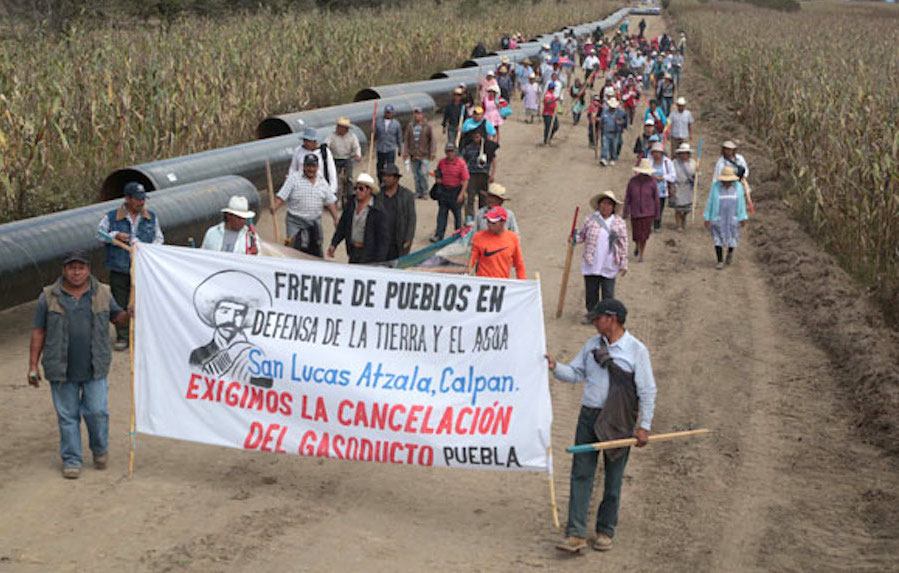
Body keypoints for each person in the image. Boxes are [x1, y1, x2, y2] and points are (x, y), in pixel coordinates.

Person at [546, 298, 657, 553]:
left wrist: (644, 426)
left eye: (598, 318)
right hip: (589, 417)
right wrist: (555, 367)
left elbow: (648, 390)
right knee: (581, 473)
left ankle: (605, 530)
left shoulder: (636, 351)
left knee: (614, 477)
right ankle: (575, 534)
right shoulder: (591, 346)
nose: (594, 322)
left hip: (619, 420)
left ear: (612, 318)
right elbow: (575, 373)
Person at [28, 250, 129, 479]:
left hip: (95, 367)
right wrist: (32, 366)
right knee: (68, 416)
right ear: (64, 270)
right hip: (60, 369)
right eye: (72, 267)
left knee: (97, 411)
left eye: (80, 267)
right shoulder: (48, 297)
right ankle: (72, 459)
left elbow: (118, 318)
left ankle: (99, 449)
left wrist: (130, 314)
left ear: (88, 270)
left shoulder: (103, 293)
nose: (76, 272)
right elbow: (38, 332)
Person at [97, 181, 163, 351]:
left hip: (142, 269)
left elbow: (159, 239)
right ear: (127, 199)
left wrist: (148, 249)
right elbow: (100, 234)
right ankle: (123, 336)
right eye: (138, 199)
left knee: (143, 302)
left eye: (143, 199)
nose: (142, 202)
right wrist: (115, 236)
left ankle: (141, 336)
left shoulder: (151, 217)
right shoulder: (111, 217)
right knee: (119, 302)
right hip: (119, 267)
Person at [271, 154, 339, 257]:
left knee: (317, 249)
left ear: (317, 167)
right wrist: (275, 206)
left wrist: (336, 219)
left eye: (313, 166)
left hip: (314, 221)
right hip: (295, 221)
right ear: (304, 166)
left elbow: (330, 201)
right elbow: (282, 195)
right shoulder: (294, 178)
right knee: (291, 248)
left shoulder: (322, 181)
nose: (311, 169)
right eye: (308, 166)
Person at [577, 191, 628, 319]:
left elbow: (623, 244)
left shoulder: (619, 223)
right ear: (599, 205)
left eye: (609, 204)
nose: (606, 207)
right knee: (591, 291)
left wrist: (624, 263)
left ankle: (606, 317)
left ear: (613, 207)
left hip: (609, 262)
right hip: (591, 261)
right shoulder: (590, 220)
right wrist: (573, 238)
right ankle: (592, 315)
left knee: (608, 293)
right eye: (603, 203)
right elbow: (581, 235)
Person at [328, 173, 389, 264]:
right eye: (356, 188)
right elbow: (342, 226)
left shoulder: (378, 210)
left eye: (361, 189)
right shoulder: (351, 205)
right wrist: (334, 244)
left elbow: (383, 239)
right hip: (353, 251)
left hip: (369, 254)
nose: (357, 191)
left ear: (369, 190)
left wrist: (380, 261)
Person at [703, 166, 749, 269]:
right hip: (718, 218)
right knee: (717, 239)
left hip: (733, 218)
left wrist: (743, 217)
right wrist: (707, 217)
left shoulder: (738, 187)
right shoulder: (715, 187)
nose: (726, 183)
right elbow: (710, 202)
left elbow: (741, 203)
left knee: (733, 238)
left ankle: (730, 252)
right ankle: (720, 260)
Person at [468, 206, 526, 279]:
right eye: (488, 221)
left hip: (502, 284)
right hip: (483, 283)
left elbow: (519, 264)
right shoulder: (478, 237)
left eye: (493, 223)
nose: (489, 225)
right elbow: (470, 263)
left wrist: (523, 283)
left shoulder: (513, 238)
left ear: (503, 222)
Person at [431, 142, 469, 242]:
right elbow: (438, 173)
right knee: (442, 214)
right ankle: (439, 235)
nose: (450, 154)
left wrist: (461, 194)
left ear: (455, 152)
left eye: (451, 151)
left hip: (456, 191)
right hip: (444, 190)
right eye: (448, 151)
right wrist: (438, 179)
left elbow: (465, 180)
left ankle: (458, 235)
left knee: (457, 215)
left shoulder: (461, 164)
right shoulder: (442, 162)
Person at [376, 164, 416, 259]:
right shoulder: (377, 195)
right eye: (384, 175)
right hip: (381, 241)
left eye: (389, 176)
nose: (385, 178)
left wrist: (408, 239)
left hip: (398, 241)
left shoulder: (407, 196)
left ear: (396, 179)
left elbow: (411, 219)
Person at [624, 158, 659, 262]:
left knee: (644, 236)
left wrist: (657, 215)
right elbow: (628, 197)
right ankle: (637, 245)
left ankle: (641, 254)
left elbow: (656, 199)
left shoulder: (652, 182)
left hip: (648, 213)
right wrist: (626, 211)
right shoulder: (632, 181)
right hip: (635, 213)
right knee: (636, 235)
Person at [288, 127, 339, 199]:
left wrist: (332, 189)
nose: (306, 143)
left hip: (320, 187)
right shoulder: (298, 151)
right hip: (302, 188)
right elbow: (293, 169)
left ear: (315, 141)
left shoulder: (324, 152)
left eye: (309, 141)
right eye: (305, 140)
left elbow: (331, 171)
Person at [461, 130, 499, 220]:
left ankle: (483, 219)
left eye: (478, 137)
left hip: (484, 175)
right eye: (474, 137)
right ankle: (469, 219)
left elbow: (493, 161)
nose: (476, 139)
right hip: (471, 175)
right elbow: (464, 162)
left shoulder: (487, 148)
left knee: (484, 199)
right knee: (470, 198)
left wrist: (492, 174)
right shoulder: (469, 148)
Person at [325, 117, 362, 207]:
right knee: (334, 180)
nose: (338, 128)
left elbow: (356, 147)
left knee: (349, 178)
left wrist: (358, 155)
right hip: (335, 159)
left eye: (341, 127)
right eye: (338, 126)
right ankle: (333, 200)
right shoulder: (332, 136)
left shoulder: (352, 136)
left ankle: (349, 198)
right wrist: (324, 148)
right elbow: (326, 143)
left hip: (347, 158)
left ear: (346, 128)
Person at [402, 107, 437, 200]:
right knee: (416, 175)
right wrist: (405, 152)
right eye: (416, 113)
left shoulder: (427, 126)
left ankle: (425, 192)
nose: (417, 116)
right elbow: (406, 140)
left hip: (424, 154)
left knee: (424, 173)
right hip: (414, 154)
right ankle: (418, 192)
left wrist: (432, 152)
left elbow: (433, 140)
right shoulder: (410, 126)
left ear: (422, 115)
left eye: (419, 113)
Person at [649, 142, 676, 231]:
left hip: (662, 189)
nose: (656, 154)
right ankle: (649, 223)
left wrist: (663, 177)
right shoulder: (648, 161)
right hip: (649, 189)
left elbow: (673, 175)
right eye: (655, 152)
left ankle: (657, 224)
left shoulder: (667, 162)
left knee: (659, 207)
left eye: (658, 152)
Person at [670, 143, 697, 232]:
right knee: (678, 208)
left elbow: (695, 176)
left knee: (687, 208)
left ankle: (684, 217)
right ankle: (678, 225)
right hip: (678, 186)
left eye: (686, 153)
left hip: (688, 187)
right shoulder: (674, 163)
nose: (684, 155)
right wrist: (671, 186)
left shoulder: (693, 163)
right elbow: (671, 175)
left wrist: (696, 173)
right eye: (683, 153)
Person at [375, 104, 404, 179]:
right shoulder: (378, 122)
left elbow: (399, 137)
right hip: (381, 149)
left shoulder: (396, 124)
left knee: (390, 167)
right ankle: (381, 182)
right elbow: (375, 135)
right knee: (380, 167)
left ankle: (390, 181)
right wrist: (372, 131)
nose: (388, 114)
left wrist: (400, 148)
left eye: (389, 112)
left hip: (390, 149)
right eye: (387, 112)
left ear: (393, 113)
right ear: (384, 112)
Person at [599, 98, 627, 166]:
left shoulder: (621, 112)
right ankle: (604, 158)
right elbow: (601, 121)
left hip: (615, 132)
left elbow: (625, 121)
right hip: (606, 131)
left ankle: (612, 158)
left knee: (613, 146)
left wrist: (621, 123)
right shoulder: (605, 112)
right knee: (605, 145)